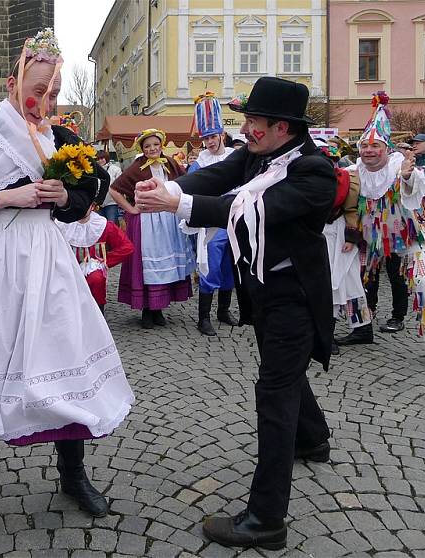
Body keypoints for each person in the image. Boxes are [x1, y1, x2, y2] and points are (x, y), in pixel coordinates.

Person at [0, 28, 134, 550]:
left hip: (49, 265)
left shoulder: (61, 138)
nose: (46, 102)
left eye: (55, 93)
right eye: (39, 90)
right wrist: (6, 197)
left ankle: (72, 475)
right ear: (13, 81)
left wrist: (66, 196)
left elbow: (88, 193)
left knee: (63, 357)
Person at [135, 76, 334, 551]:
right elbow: (218, 177)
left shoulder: (314, 171)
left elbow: (252, 210)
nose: (245, 129)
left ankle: (266, 520)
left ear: (281, 127)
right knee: (285, 374)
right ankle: (314, 439)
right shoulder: (257, 154)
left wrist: (178, 202)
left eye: (253, 121)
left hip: (296, 297)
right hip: (263, 289)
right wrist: (169, 185)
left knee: (275, 391)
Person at [348, 93, 425, 373]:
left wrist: (406, 176)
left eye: (375, 146)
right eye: (364, 146)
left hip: (408, 237)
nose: (369, 150)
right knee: (354, 278)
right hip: (369, 239)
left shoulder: (400, 166)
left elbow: (416, 188)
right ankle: (361, 328)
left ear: (386, 148)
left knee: (424, 281)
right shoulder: (353, 170)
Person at [110, 129, 195, 328]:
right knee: (148, 266)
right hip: (146, 223)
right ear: (142, 149)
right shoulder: (137, 167)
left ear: (161, 145)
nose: (152, 149)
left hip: (169, 220)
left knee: (166, 264)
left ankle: (159, 309)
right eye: (147, 146)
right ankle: (147, 310)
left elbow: (188, 183)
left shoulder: (171, 164)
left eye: (155, 145)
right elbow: (114, 189)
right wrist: (131, 209)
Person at [188, 91, 240, 336]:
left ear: (222, 135)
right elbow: (191, 188)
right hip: (212, 223)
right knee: (211, 266)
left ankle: (223, 310)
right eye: (205, 137)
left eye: (212, 137)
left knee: (231, 265)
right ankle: (203, 318)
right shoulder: (199, 163)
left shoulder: (235, 157)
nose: (209, 142)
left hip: (236, 219)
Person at [315, 141, 372, 351]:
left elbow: (352, 210)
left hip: (339, 235)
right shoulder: (307, 181)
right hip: (319, 235)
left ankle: (359, 328)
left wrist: (351, 237)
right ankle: (338, 330)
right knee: (332, 282)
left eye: (331, 161)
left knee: (342, 281)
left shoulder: (347, 180)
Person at [56, 202, 134, 312]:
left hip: (92, 267)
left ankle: (97, 312)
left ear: (92, 206)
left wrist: (103, 262)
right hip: (66, 265)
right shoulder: (61, 224)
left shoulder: (102, 225)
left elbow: (127, 247)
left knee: (96, 278)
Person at [96, 150, 121, 224]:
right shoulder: (93, 171)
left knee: (111, 224)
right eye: (98, 159)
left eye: (102, 158)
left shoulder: (115, 169)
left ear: (106, 158)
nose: (100, 161)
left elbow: (119, 185)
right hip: (98, 204)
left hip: (111, 202)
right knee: (100, 227)